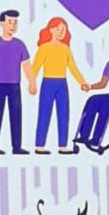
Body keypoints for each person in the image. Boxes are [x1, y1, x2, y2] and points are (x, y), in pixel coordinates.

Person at [0, 11, 35, 155]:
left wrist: (32, 82)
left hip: (14, 85)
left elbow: (26, 65)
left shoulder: (20, 45)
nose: (13, 25)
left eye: (15, 22)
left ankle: (17, 147)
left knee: (16, 115)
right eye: (10, 22)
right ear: (2, 23)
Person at [30, 17, 88, 155]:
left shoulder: (66, 49)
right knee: (44, 113)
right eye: (58, 29)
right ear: (51, 29)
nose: (61, 32)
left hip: (62, 84)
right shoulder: (44, 48)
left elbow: (73, 67)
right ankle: (39, 145)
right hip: (48, 83)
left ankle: (63, 145)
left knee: (63, 114)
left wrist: (82, 82)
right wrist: (32, 83)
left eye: (64, 30)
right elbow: (35, 67)